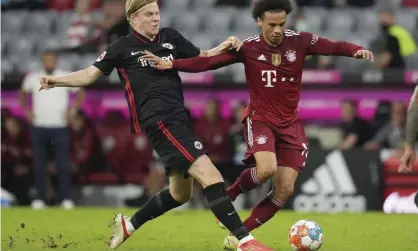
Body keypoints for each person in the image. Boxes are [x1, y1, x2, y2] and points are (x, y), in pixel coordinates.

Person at [38, 1, 273, 251]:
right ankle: (244, 241)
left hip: (178, 118)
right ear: (133, 18)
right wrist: (57, 81)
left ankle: (130, 224)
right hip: (159, 121)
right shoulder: (122, 47)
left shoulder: (170, 37)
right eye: (148, 14)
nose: (155, 18)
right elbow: (89, 74)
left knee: (179, 194)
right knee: (211, 175)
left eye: (157, 13)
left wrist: (223, 47)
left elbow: (201, 58)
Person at [140, 0, 374, 249]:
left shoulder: (300, 41)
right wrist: (173, 64)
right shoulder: (248, 47)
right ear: (259, 21)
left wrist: (355, 49)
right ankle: (231, 194)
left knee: (284, 190)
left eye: (281, 24)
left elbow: (332, 46)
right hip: (261, 119)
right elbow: (208, 62)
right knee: (266, 169)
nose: (277, 30)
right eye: (271, 24)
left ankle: (239, 236)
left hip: (291, 125)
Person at [20, 50, 85, 210]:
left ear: (56, 61)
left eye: (52, 60)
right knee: (39, 164)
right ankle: (40, 198)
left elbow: (80, 92)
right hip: (39, 125)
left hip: (59, 127)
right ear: (43, 61)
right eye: (46, 60)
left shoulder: (64, 76)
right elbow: (22, 93)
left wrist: (73, 110)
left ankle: (65, 199)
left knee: (63, 164)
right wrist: (27, 111)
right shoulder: (32, 78)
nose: (49, 62)